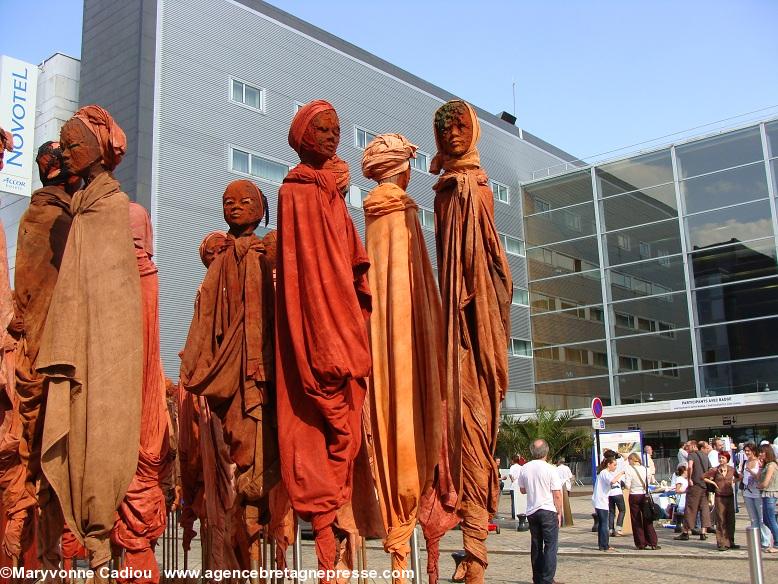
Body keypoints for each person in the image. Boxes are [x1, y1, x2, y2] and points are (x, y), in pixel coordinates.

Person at [36, 105, 143, 575]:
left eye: (75, 142)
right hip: (74, 346)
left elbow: (113, 300)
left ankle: (98, 541)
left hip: (104, 354)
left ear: (99, 148)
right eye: (63, 142)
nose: (66, 150)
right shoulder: (76, 210)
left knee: (100, 432)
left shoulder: (111, 207)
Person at [275, 100, 372, 578]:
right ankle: (325, 551)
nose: (332, 136)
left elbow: (348, 253)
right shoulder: (295, 189)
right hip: (319, 320)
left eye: (336, 129)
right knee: (323, 418)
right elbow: (306, 269)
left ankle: (335, 550)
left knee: (348, 425)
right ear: (302, 136)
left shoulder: (332, 190)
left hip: (345, 316)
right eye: (322, 129)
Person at [430, 99, 512, 583]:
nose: (454, 135)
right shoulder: (445, 189)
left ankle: (476, 553)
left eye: (460, 126)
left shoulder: (473, 185)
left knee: (477, 421)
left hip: (476, 320)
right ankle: (472, 552)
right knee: (461, 428)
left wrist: (477, 301)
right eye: (445, 130)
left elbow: (488, 263)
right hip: (454, 328)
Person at [360, 133, 444, 579]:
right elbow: (413, 289)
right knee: (407, 408)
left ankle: (398, 541)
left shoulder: (373, 216)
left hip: (383, 340)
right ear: (402, 170)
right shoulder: (402, 214)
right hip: (404, 346)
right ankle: (402, 532)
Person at [7, 141, 79, 566]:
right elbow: (32, 289)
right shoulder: (46, 212)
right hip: (41, 346)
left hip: (64, 346)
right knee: (34, 450)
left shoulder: (75, 211)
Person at [518, 439, 563, 584]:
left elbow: (522, 490)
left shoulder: (525, 468)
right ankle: (547, 579)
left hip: (532, 511)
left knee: (536, 545)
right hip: (548, 510)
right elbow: (557, 493)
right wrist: (559, 512)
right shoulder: (550, 469)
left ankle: (537, 578)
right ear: (546, 451)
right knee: (550, 546)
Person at [703, 450, 739, 551]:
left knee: (731, 519)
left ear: (727, 459)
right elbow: (703, 477)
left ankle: (730, 541)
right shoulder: (715, 470)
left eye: (723, 458)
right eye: (720, 458)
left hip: (729, 496)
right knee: (721, 519)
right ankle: (722, 542)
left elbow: (739, 476)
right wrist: (714, 483)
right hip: (719, 496)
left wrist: (733, 481)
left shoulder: (731, 469)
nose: (721, 459)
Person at [676, 440, 712, 542]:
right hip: (704, 486)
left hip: (695, 485)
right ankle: (703, 532)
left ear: (693, 446)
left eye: (687, 446)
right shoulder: (705, 455)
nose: (686, 448)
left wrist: (689, 479)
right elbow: (710, 470)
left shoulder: (691, 455)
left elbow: (690, 466)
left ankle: (685, 532)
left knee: (690, 508)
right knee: (704, 508)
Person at [741, 442, 774, 552]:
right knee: (753, 519)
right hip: (747, 492)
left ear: (753, 451)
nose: (746, 453)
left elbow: (760, 478)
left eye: (748, 451)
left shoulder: (759, 462)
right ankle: (756, 541)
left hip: (757, 492)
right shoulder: (745, 462)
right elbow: (743, 477)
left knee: (761, 518)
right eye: (745, 451)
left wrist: (752, 471)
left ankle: (765, 542)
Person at [624, 453, 660, 550]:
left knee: (636, 520)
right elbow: (650, 481)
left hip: (634, 495)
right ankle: (652, 542)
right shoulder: (646, 469)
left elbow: (627, 485)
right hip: (645, 495)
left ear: (631, 460)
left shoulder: (629, 469)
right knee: (647, 518)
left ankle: (641, 543)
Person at [593, 457, 624, 552]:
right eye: (614, 465)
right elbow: (613, 481)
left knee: (603, 523)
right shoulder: (605, 473)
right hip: (601, 501)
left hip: (601, 500)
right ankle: (604, 545)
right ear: (608, 464)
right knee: (604, 524)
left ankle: (602, 545)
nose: (615, 467)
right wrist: (621, 474)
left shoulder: (604, 473)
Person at [758, 444, 778, 553]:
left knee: (770, 519)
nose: (760, 454)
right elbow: (758, 477)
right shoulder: (766, 465)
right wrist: (760, 467)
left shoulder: (771, 465)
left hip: (770, 493)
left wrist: (759, 486)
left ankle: (777, 544)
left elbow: (765, 482)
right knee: (766, 519)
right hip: (766, 494)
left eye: (762, 452)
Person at [604, 449, 626, 537]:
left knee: (611, 511)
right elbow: (626, 457)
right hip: (617, 491)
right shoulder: (618, 463)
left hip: (609, 492)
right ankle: (618, 528)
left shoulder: (605, 467)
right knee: (622, 510)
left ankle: (610, 529)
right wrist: (618, 452)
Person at [555, 458, 574, 527]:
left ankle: (560, 518)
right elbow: (570, 476)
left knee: (560, 504)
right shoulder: (567, 468)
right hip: (567, 486)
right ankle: (567, 518)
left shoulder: (556, 469)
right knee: (566, 503)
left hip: (559, 487)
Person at [508, 455, 522, 519]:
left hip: (513, 485)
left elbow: (510, 474)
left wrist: (512, 479)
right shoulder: (521, 467)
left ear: (513, 460)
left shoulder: (512, 467)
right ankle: (519, 513)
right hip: (519, 485)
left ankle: (514, 515)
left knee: (513, 501)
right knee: (518, 500)